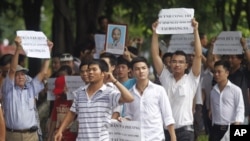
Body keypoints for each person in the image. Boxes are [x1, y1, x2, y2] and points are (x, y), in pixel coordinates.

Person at [54, 59, 134, 141]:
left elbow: (129, 98)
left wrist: (114, 81)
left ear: (103, 73)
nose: (90, 72)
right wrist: (60, 131)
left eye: (94, 69)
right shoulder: (79, 92)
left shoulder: (109, 92)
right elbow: (72, 112)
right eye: (89, 70)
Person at [151, 18, 202, 141]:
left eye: (181, 62)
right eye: (174, 61)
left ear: (186, 65)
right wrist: (155, 33)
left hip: (185, 131)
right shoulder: (165, 77)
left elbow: (198, 56)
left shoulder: (191, 79)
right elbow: (155, 55)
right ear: (170, 64)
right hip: (166, 131)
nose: (177, 64)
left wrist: (195, 31)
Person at [2, 36, 52, 141]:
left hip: (31, 135)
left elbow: (43, 72)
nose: (21, 76)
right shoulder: (8, 90)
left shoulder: (31, 88)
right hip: (12, 135)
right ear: (12, 77)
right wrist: (18, 49)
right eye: (17, 75)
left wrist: (48, 51)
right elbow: (12, 69)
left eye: (23, 74)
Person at [121, 57, 176, 141]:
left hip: (156, 138)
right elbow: (129, 115)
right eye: (137, 69)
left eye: (143, 68)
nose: (141, 71)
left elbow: (167, 115)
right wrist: (123, 120)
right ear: (132, 72)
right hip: (136, 138)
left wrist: (173, 136)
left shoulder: (159, 90)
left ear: (148, 70)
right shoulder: (129, 93)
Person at [210, 60, 244, 141]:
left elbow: (240, 108)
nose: (216, 74)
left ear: (227, 73)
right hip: (216, 128)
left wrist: (237, 123)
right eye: (215, 72)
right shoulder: (213, 91)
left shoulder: (235, 90)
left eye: (219, 72)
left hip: (230, 127)